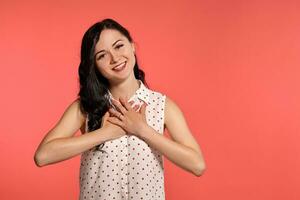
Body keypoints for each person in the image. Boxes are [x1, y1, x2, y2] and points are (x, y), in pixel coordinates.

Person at [34, 18, 206, 200]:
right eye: (102, 55)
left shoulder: (161, 106)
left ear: (132, 45)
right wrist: (105, 133)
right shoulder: (86, 107)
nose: (115, 58)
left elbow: (197, 164)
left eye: (118, 46)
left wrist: (142, 130)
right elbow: (43, 156)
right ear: (94, 65)